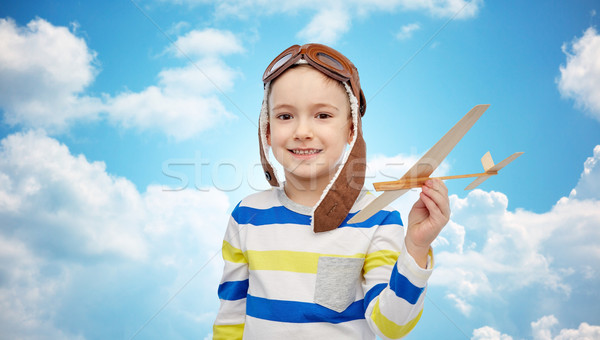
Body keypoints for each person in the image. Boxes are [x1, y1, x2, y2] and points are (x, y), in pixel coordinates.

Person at [213, 44, 450, 339]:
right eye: (285, 116)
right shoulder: (247, 216)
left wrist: (415, 248)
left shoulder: (378, 219)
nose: (302, 131)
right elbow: (230, 316)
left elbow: (392, 326)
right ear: (267, 130)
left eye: (323, 115)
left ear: (352, 129)